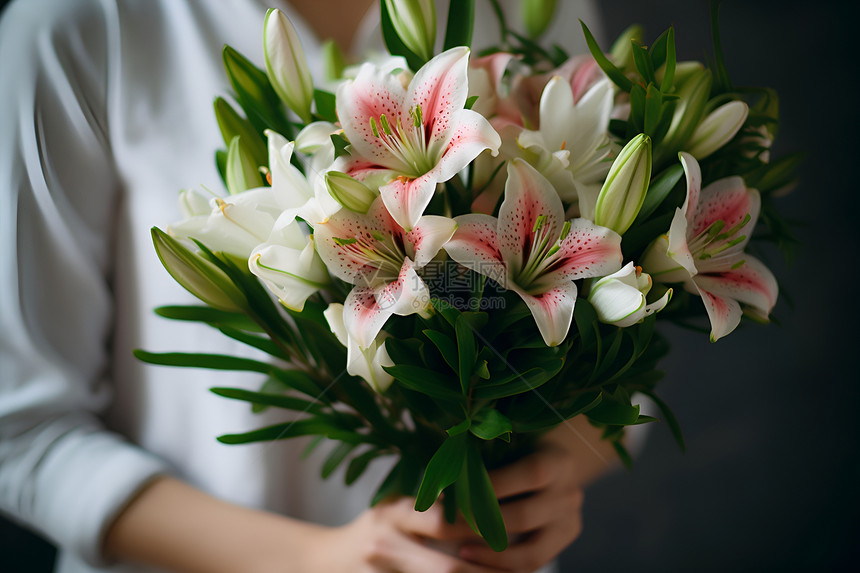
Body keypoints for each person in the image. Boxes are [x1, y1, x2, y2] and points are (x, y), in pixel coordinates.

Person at [0, 1, 620, 571]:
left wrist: (557, 469)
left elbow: (614, 341)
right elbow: (19, 435)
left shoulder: (529, 10)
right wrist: (315, 560)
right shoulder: (77, 24)